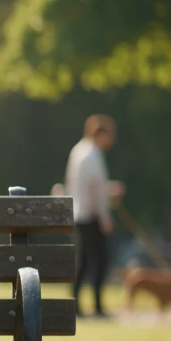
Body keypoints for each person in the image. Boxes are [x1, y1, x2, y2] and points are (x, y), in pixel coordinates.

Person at [65, 114, 116, 318]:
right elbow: (94, 188)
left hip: (78, 212)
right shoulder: (93, 155)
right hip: (90, 214)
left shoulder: (78, 151)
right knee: (100, 260)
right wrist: (104, 216)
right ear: (101, 134)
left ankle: (76, 304)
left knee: (84, 260)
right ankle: (97, 305)